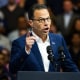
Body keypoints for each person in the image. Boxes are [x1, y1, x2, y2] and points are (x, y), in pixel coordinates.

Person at [9, 3, 79, 77]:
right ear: (31, 23)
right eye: (41, 20)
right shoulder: (20, 43)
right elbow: (12, 69)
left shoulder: (58, 39)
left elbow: (70, 67)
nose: (46, 23)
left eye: (48, 19)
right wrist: (26, 50)